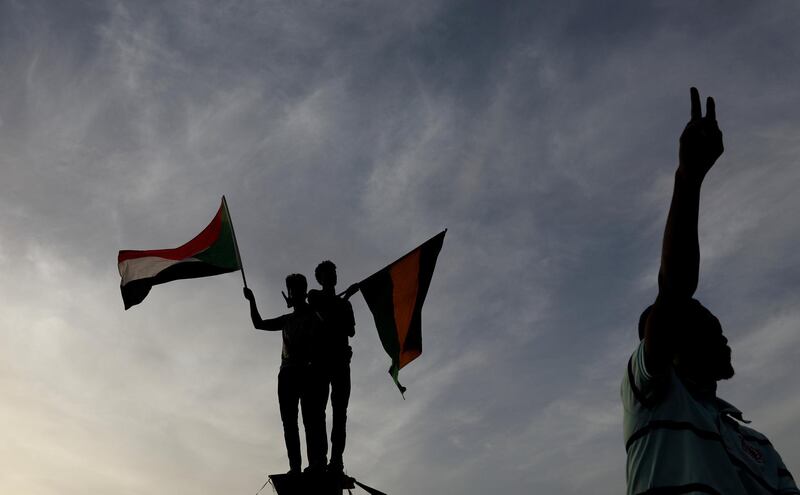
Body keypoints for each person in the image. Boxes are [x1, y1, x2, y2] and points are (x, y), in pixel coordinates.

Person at [622, 87, 799, 494]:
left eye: (714, 322)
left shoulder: (759, 445)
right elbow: (675, 289)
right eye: (702, 323)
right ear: (671, 348)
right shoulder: (651, 398)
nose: (720, 330)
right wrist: (689, 177)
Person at [244, 275, 328, 475]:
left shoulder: (315, 316)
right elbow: (259, 323)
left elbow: (323, 340)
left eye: (295, 290)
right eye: (289, 290)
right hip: (287, 374)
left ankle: (316, 462)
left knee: (310, 420)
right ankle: (295, 467)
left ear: (303, 291)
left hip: (308, 373)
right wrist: (252, 301)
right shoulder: (287, 319)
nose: (291, 294)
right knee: (289, 423)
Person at [307, 260, 357, 474]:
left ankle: (336, 460)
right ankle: (319, 460)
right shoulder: (314, 296)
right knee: (318, 412)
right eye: (328, 273)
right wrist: (346, 298)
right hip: (321, 361)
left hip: (340, 361)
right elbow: (324, 310)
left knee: (340, 412)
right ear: (321, 278)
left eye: (334, 272)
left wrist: (346, 300)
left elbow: (350, 331)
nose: (333, 276)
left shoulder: (345, 304)